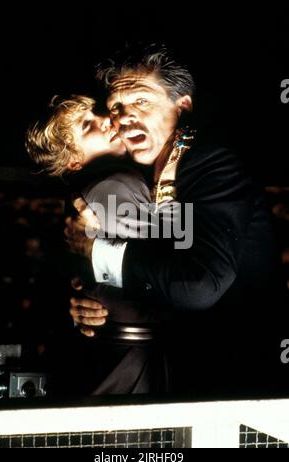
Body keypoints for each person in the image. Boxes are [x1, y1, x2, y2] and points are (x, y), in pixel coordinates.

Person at [66, 44, 287, 397]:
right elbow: (154, 269)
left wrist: (98, 253)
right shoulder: (143, 176)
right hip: (181, 377)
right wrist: (86, 300)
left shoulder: (211, 163)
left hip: (238, 384)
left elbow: (197, 284)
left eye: (142, 101)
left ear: (182, 105)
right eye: (116, 108)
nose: (124, 117)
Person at [25, 94, 173, 395]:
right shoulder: (112, 187)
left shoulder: (101, 188)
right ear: (73, 160)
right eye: (86, 124)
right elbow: (178, 248)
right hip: (130, 362)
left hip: (120, 356)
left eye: (95, 112)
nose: (106, 119)